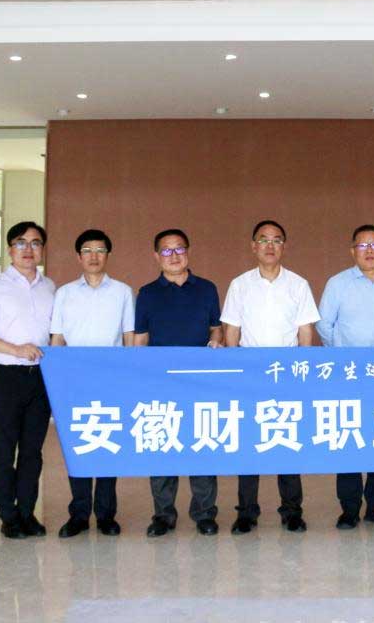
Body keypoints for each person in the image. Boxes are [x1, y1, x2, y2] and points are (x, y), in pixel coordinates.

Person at [222, 220, 319, 534]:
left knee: (286, 442)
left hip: (286, 376)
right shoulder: (240, 285)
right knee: (249, 445)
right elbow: (232, 330)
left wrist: (301, 373)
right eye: (263, 240)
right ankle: (246, 512)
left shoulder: (298, 285)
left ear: (284, 246)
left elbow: (305, 331)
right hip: (250, 376)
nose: (269, 245)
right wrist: (235, 373)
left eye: (276, 240)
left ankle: (292, 511)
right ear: (253, 246)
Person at [0, 221, 56, 540]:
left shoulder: (50, 287)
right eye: (21, 243)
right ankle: (8, 514)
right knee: (4, 446)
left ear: (42, 249)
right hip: (7, 375)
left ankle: (27, 512)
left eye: (35, 243)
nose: (28, 249)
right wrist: (16, 349)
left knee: (33, 449)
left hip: (41, 377)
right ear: (10, 249)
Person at [317, 224, 374, 530]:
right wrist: (344, 356)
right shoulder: (337, 284)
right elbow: (324, 325)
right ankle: (349, 509)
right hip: (348, 376)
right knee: (349, 439)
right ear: (352, 251)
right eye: (362, 245)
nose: (369, 250)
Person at [133, 228, 223, 537]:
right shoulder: (147, 293)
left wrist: (216, 341)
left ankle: (204, 513)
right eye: (167, 251)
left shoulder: (207, 289)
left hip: (200, 383)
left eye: (179, 249)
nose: (174, 256)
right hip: (160, 384)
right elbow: (140, 339)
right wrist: (139, 378)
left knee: (202, 445)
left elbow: (215, 329)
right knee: (162, 445)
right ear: (156, 256)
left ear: (188, 252)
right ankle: (163, 515)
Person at [49, 228, 135, 538]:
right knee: (79, 447)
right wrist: (57, 382)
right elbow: (57, 339)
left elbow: (129, 337)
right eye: (87, 250)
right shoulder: (64, 293)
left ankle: (106, 515)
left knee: (108, 445)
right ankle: (79, 514)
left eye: (100, 250)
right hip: (75, 381)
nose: (94, 256)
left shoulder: (123, 292)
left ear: (108, 255)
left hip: (111, 379)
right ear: (78, 256)